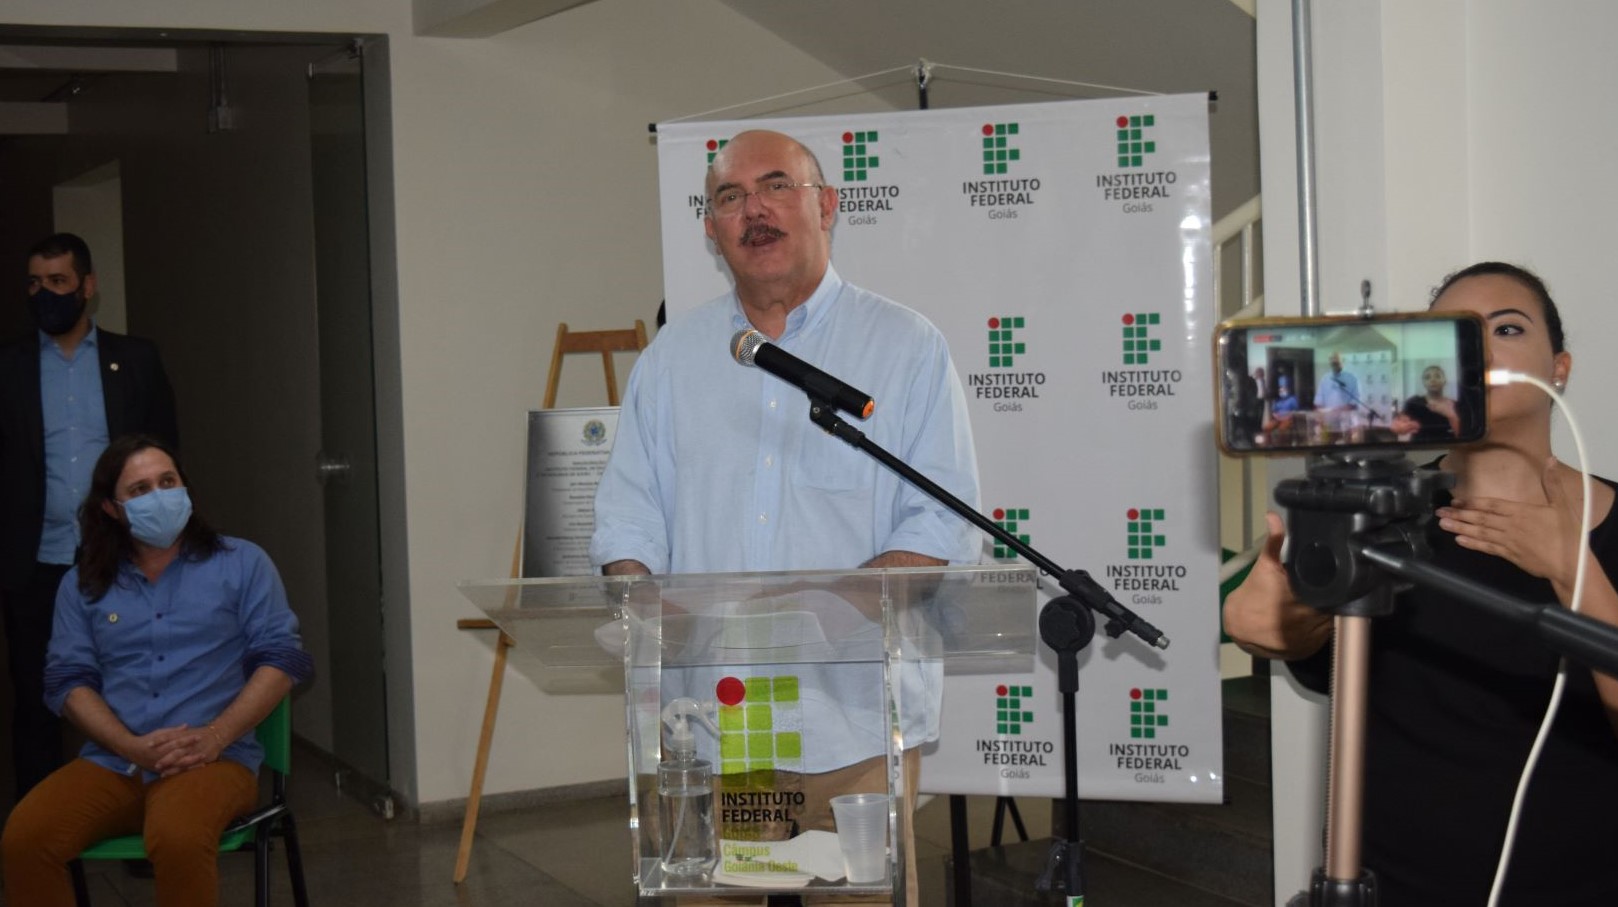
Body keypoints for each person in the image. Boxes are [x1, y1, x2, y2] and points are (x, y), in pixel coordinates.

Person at [590, 129, 978, 902]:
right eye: (730, 197)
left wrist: (822, 607)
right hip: (717, 727)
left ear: (826, 205)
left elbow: (937, 523)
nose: (754, 210)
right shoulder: (672, 359)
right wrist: (642, 599)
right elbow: (628, 519)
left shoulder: (904, 348)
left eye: (776, 186)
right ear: (711, 228)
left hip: (856, 721)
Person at [1223, 261, 1618, 905]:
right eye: (1454, 333)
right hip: (1388, 884)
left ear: (1559, 368)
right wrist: (1284, 623)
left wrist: (1575, 571)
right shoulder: (1375, 515)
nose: (1478, 349)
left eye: (1506, 329)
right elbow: (1319, 660)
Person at [0, 434, 311, 907]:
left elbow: (282, 660)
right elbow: (67, 681)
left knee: (179, 837)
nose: (159, 496)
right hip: (116, 760)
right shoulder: (82, 584)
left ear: (186, 488)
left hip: (214, 759)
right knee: (25, 839)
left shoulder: (242, 563)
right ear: (112, 509)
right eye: (140, 490)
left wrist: (215, 736)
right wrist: (129, 745)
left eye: (168, 482)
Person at [0, 232, 179, 801]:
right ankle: (40, 824)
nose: (45, 294)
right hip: (35, 561)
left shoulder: (137, 360)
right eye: (34, 283)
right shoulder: (9, 366)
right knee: (37, 697)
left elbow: (165, 455)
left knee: (135, 689)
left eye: (58, 281)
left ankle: (140, 811)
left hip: (122, 557)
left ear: (87, 286)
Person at [1393, 364, 1464, 442]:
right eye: (1427, 377)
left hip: (1448, 446)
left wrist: (1451, 415)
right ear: (1423, 382)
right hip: (1420, 447)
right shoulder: (1414, 403)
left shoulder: (1455, 404)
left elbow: (1461, 436)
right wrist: (1401, 427)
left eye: (1437, 376)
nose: (1433, 380)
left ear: (1444, 380)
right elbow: (1399, 427)